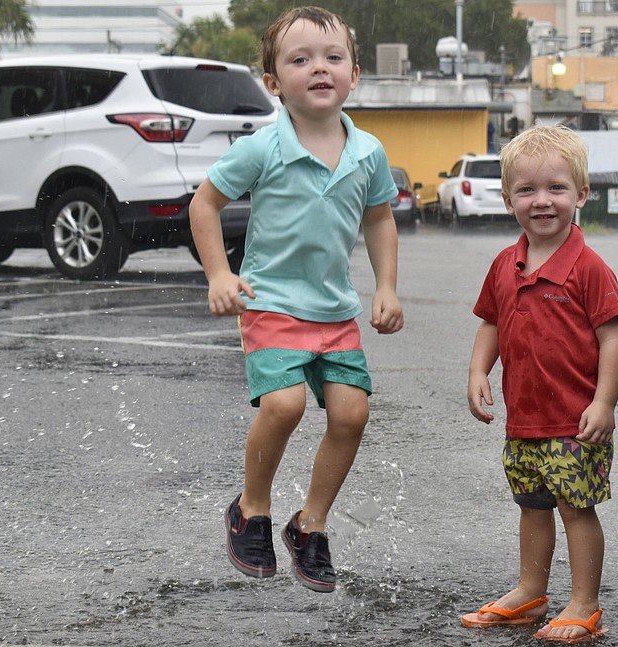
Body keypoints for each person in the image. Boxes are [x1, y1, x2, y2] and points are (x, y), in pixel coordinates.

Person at [188, 6, 403, 594]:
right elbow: (203, 204)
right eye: (300, 59)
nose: (319, 68)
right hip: (270, 301)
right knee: (283, 406)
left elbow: (380, 219)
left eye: (333, 57)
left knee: (352, 414)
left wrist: (385, 286)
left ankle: (311, 525)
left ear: (354, 74)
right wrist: (219, 275)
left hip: (336, 310)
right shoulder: (263, 147)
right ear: (273, 82)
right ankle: (250, 509)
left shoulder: (368, 152)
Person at [460, 125, 618, 641]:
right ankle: (531, 592)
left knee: (576, 510)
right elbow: (491, 321)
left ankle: (584, 603)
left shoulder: (590, 269)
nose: (542, 201)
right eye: (527, 190)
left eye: (556, 188)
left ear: (581, 194)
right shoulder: (504, 265)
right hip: (525, 419)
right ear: (508, 197)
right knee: (532, 507)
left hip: (576, 422)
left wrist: (604, 403)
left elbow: (614, 339)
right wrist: (477, 371)